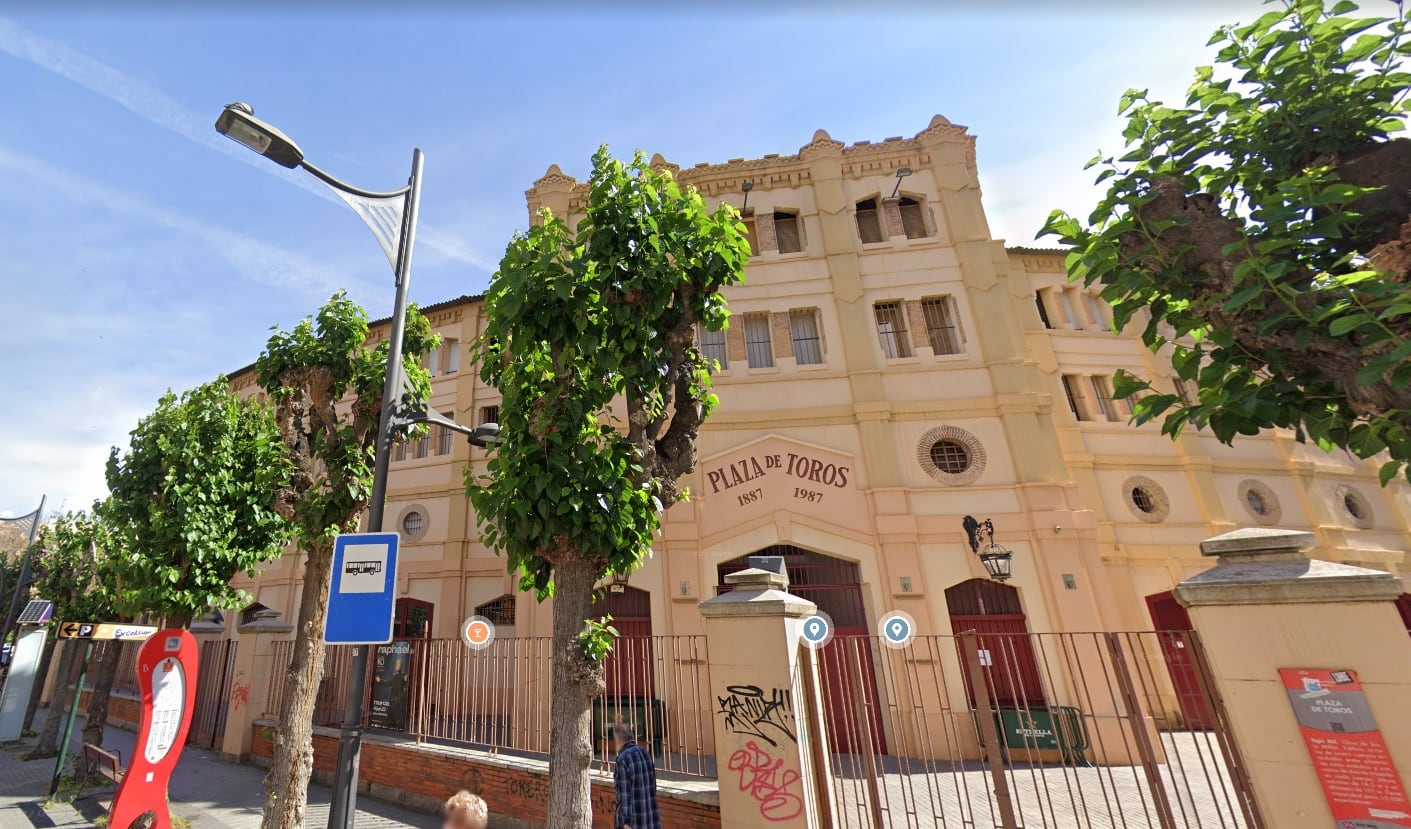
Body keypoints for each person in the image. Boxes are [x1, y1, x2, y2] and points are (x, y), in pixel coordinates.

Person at [611, 723, 661, 829]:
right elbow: (653, 787)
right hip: (651, 817)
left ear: (617, 739)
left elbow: (624, 795)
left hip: (634, 822)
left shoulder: (622, 759)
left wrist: (625, 822)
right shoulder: (645, 753)